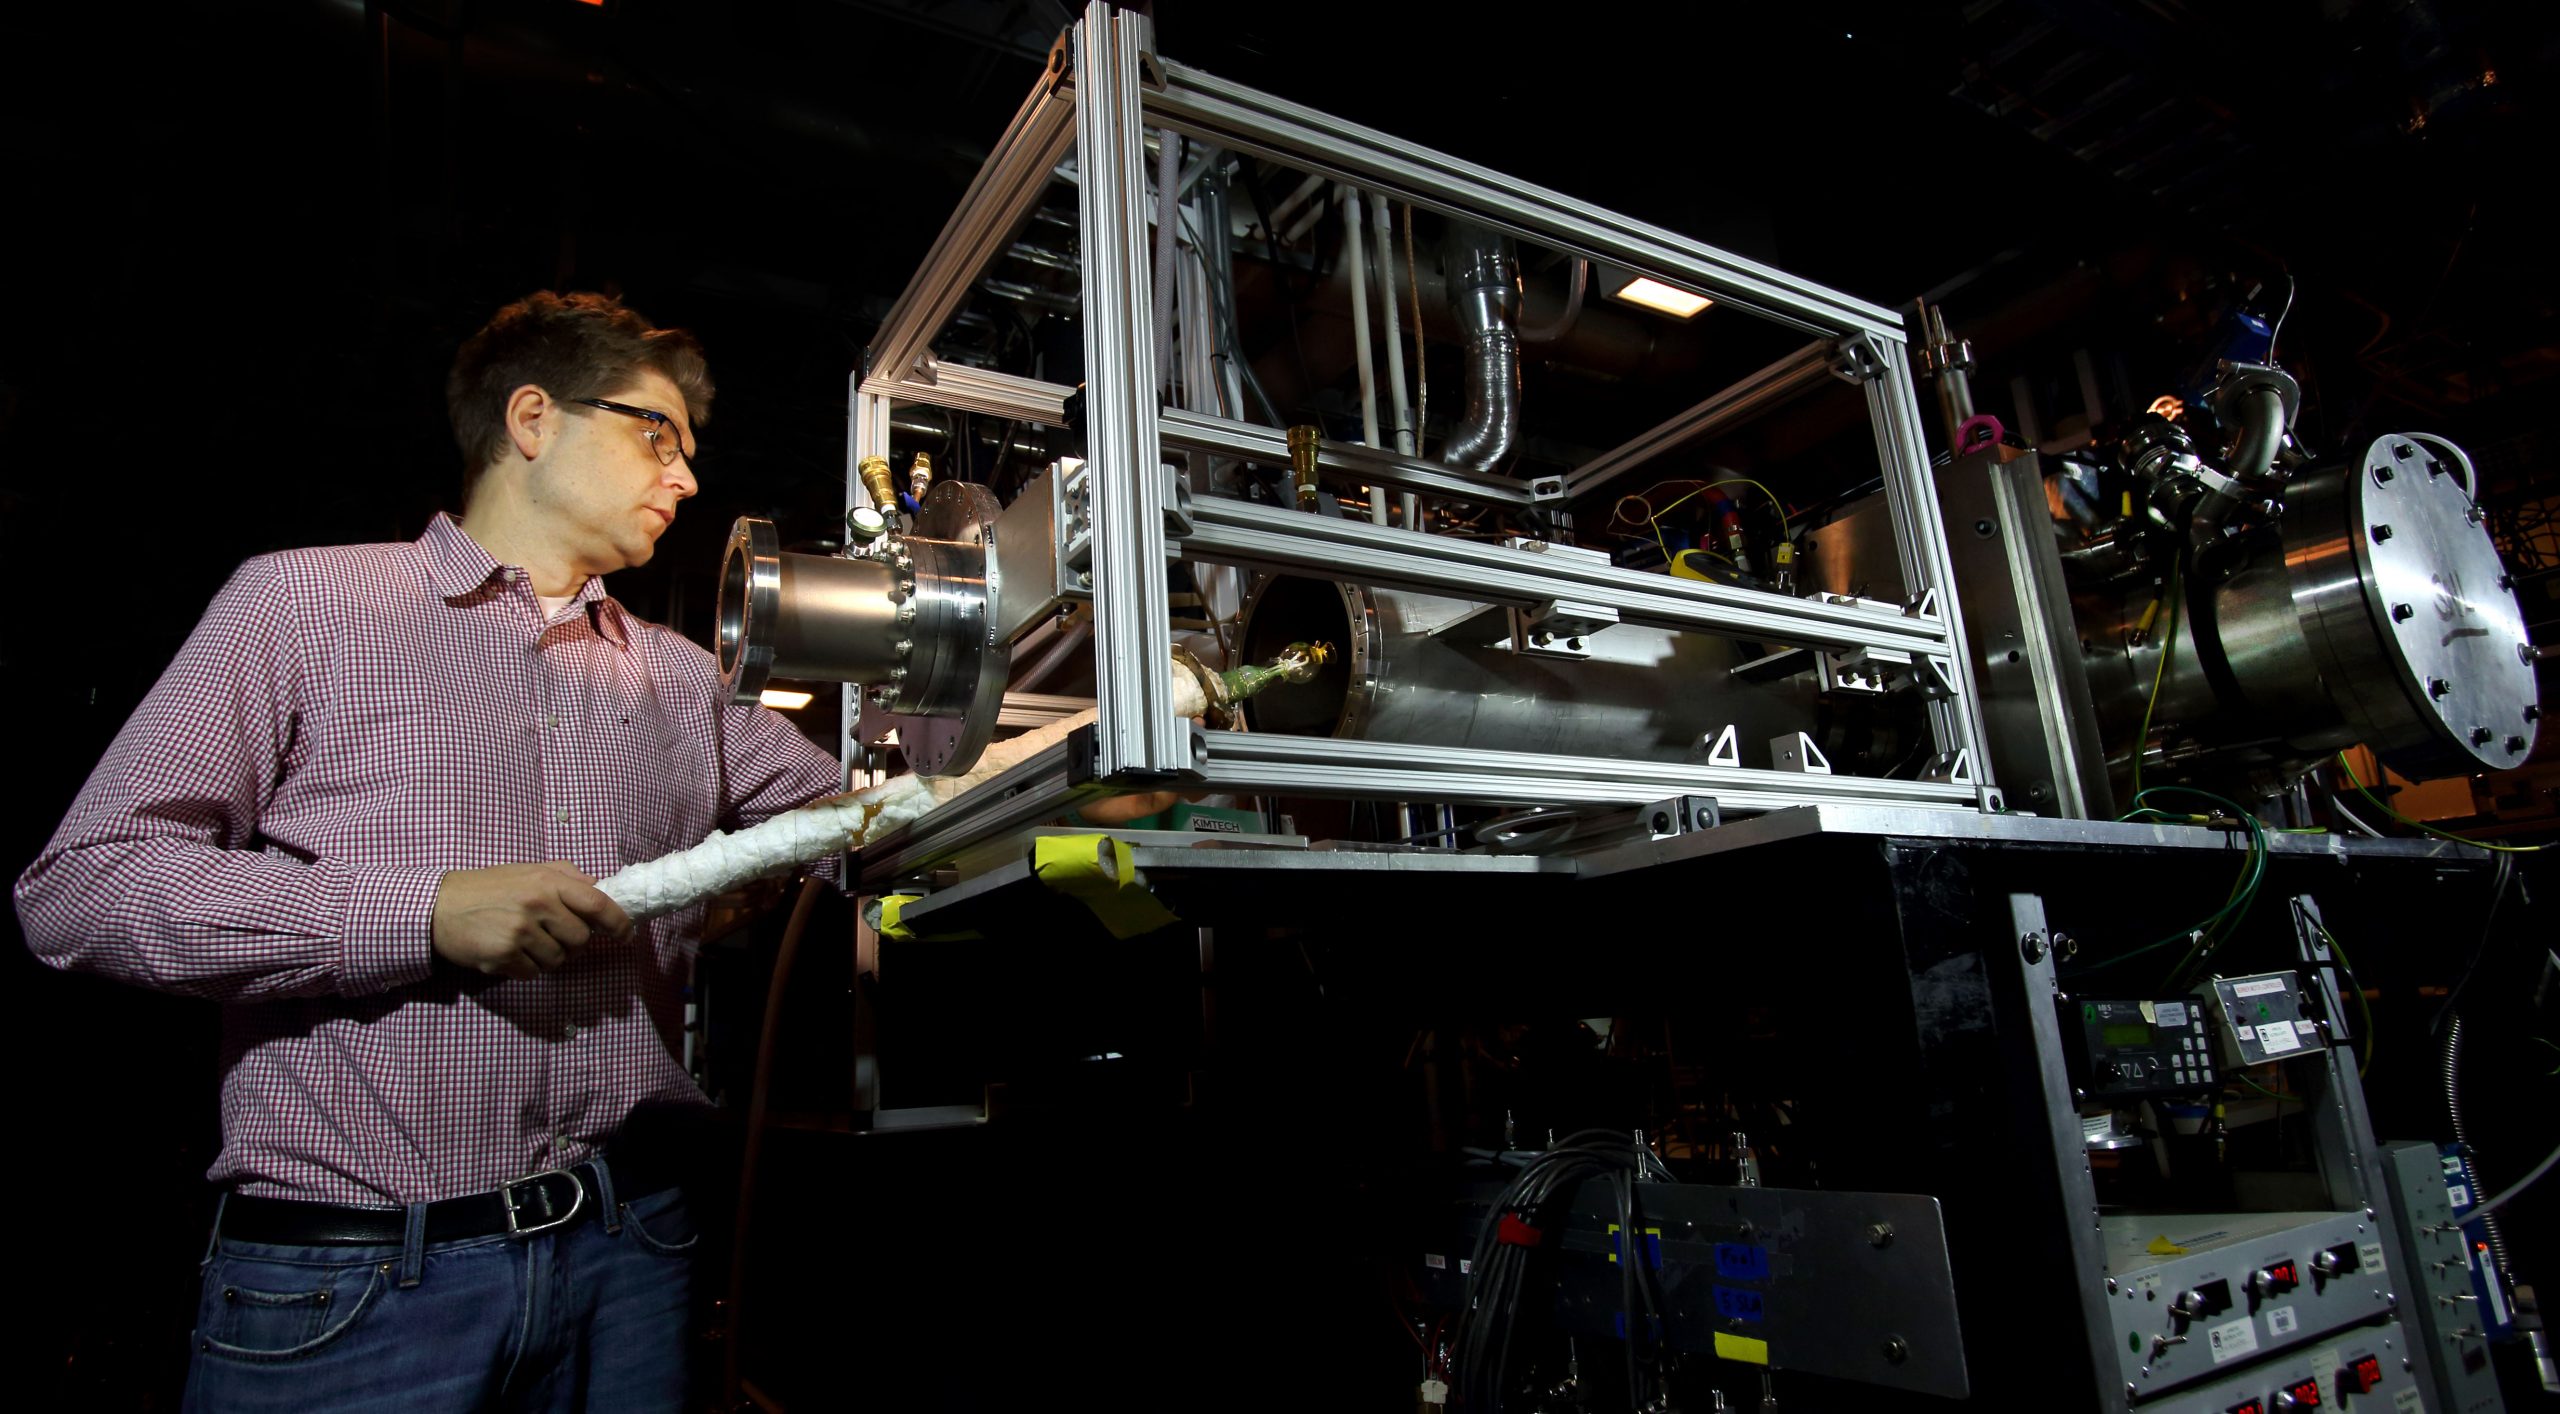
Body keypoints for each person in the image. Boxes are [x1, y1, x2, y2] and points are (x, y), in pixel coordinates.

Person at [15, 291, 843, 1411]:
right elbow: (84, 886)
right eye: (657, 432)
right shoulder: (303, 603)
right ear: (533, 418)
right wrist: (419, 914)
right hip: (357, 1277)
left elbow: (868, 829)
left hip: (630, 1255)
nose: (686, 478)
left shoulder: (684, 679)